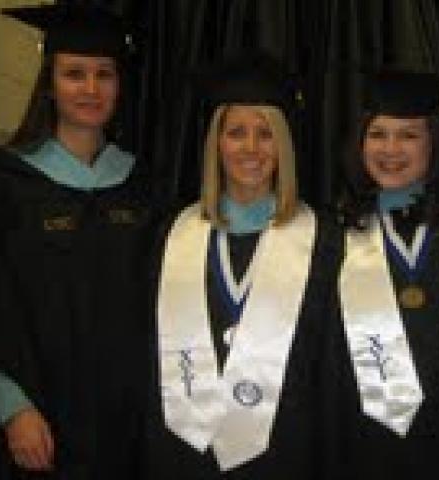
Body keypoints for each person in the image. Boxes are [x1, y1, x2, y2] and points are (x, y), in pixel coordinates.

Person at [0, 4, 153, 479]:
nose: (90, 89)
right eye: (74, 74)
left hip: (129, 419)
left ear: (119, 86)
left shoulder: (145, 185)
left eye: (104, 75)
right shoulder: (0, 183)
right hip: (38, 418)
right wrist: (12, 406)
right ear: (50, 83)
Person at [145, 58, 341, 480]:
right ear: (217, 144)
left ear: (283, 146)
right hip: (184, 450)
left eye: (266, 133)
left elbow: (330, 364)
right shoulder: (173, 234)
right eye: (236, 133)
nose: (250, 148)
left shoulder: (324, 239)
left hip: (285, 448)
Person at [324, 69, 439, 480]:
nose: (391, 149)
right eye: (378, 134)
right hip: (372, 445)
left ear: (434, 142)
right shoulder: (338, 231)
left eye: (409, 135)